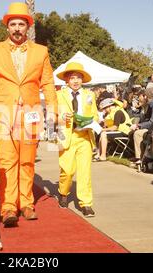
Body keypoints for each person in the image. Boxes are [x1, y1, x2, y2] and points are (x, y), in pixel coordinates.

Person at [0, 2, 58, 227]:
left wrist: (52, 109)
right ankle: (8, 207)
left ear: (28, 25)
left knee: (27, 161)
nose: (17, 28)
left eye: (21, 23)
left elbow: (48, 82)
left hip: (31, 112)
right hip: (3, 113)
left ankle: (27, 203)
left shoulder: (41, 51)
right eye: (13, 24)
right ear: (7, 27)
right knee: (7, 161)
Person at [55, 62, 98, 217]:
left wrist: (90, 121)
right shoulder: (58, 95)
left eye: (78, 77)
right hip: (66, 136)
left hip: (84, 137)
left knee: (85, 172)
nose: (75, 81)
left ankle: (86, 204)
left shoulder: (89, 95)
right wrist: (60, 117)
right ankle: (63, 192)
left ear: (83, 80)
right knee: (67, 171)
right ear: (66, 79)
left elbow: (96, 115)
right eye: (72, 77)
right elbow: (50, 115)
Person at [130, 84, 153, 164]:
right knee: (134, 132)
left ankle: (140, 158)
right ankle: (142, 156)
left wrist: (138, 126)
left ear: (146, 96)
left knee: (137, 133)